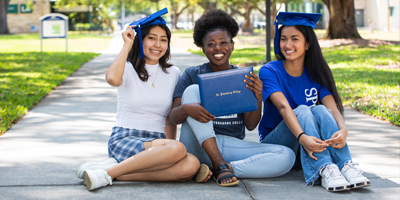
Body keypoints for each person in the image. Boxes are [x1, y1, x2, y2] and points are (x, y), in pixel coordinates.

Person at [75, 9, 211, 191]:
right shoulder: (128, 68)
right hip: (126, 138)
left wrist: (171, 149)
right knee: (178, 150)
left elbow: (169, 117)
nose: (158, 45)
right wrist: (127, 45)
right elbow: (112, 79)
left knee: (191, 164)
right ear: (141, 40)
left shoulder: (173, 73)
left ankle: (110, 171)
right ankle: (106, 174)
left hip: (159, 144)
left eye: (163, 40)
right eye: (151, 38)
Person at [169, 9, 295, 187]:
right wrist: (186, 108)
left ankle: (225, 168)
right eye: (211, 44)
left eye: (223, 43)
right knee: (192, 90)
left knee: (287, 156)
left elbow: (250, 125)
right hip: (197, 144)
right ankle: (217, 164)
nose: (218, 48)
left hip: (230, 146)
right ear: (203, 48)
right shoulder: (192, 74)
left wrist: (257, 96)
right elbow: (173, 118)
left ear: (232, 46)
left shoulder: (243, 77)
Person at [258, 12, 371, 192]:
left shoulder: (316, 72)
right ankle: (324, 168)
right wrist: (303, 138)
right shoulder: (269, 71)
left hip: (310, 145)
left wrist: (343, 130)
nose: (288, 45)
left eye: (295, 39)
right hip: (278, 144)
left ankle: (344, 164)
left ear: (308, 44)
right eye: (283, 39)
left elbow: (332, 109)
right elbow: (283, 106)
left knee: (319, 110)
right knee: (303, 109)